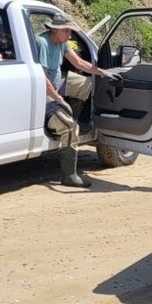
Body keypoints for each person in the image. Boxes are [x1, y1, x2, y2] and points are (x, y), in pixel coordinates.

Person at [36, 12, 116, 188]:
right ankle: (69, 175)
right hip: (45, 94)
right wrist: (58, 99)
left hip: (57, 85)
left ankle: (71, 117)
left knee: (84, 83)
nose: (70, 35)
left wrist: (103, 72)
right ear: (55, 30)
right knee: (72, 128)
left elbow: (80, 63)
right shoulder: (42, 43)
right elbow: (41, 79)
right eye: (67, 31)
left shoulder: (62, 43)